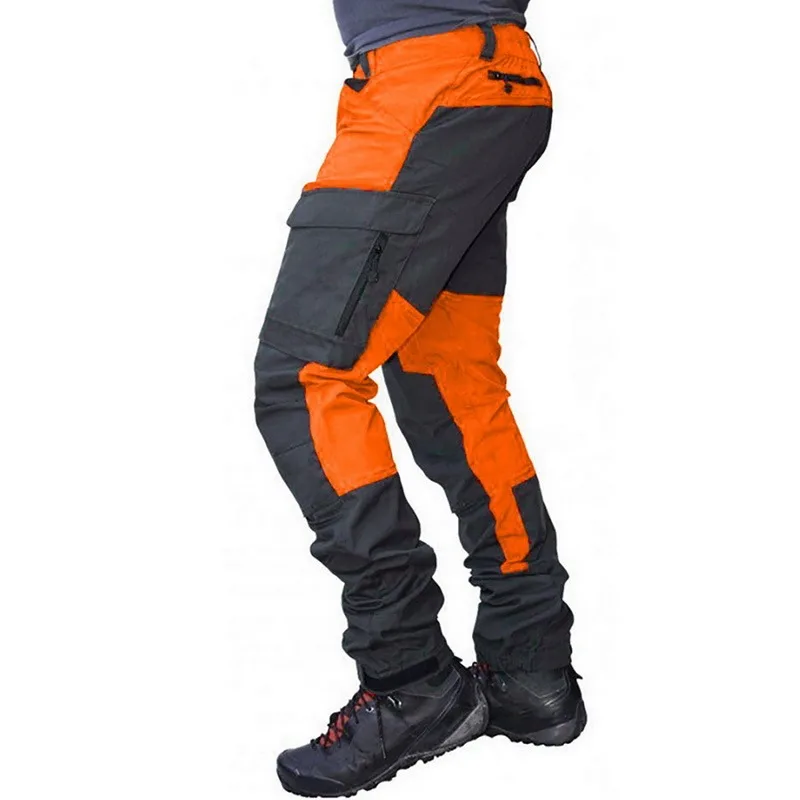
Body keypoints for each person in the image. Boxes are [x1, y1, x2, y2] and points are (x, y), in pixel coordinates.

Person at [254, 1, 586, 795]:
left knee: (305, 376)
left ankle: (410, 677)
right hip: (485, 82)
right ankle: (530, 664)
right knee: (450, 379)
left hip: (429, 82)